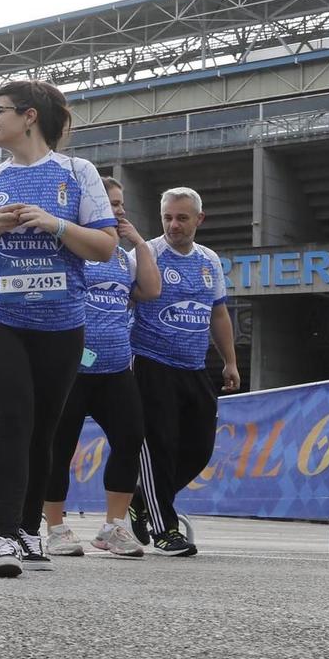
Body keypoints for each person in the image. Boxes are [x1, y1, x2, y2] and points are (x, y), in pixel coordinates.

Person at [0, 79, 118, 578]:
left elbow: (106, 247)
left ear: (28, 116)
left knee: (45, 428)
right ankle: (3, 537)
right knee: (10, 420)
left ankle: (28, 528)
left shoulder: (77, 172)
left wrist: (54, 223)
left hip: (60, 322)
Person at [42, 176, 160, 559]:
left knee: (130, 438)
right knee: (58, 449)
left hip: (114, 370)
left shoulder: (123, 259)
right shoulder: (70, 251)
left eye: (122, 203)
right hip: (69, 371)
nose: (121, 209)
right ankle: (56, 528)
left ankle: (114, 526)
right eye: (112, 203)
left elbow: (152, 291)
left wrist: (140, 243)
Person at [130, 187, 239, 558]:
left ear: (199, 219)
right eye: (167, 218)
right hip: (150, 363)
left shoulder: (210, 261)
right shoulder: (147, 254)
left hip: (195, 367)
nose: (174, 225)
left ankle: (141, 500)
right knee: (159, 448)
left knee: (199, 447)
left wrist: (230, 361)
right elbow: (122, 298)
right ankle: (164, 529)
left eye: (182, 217)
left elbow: (219, 313)